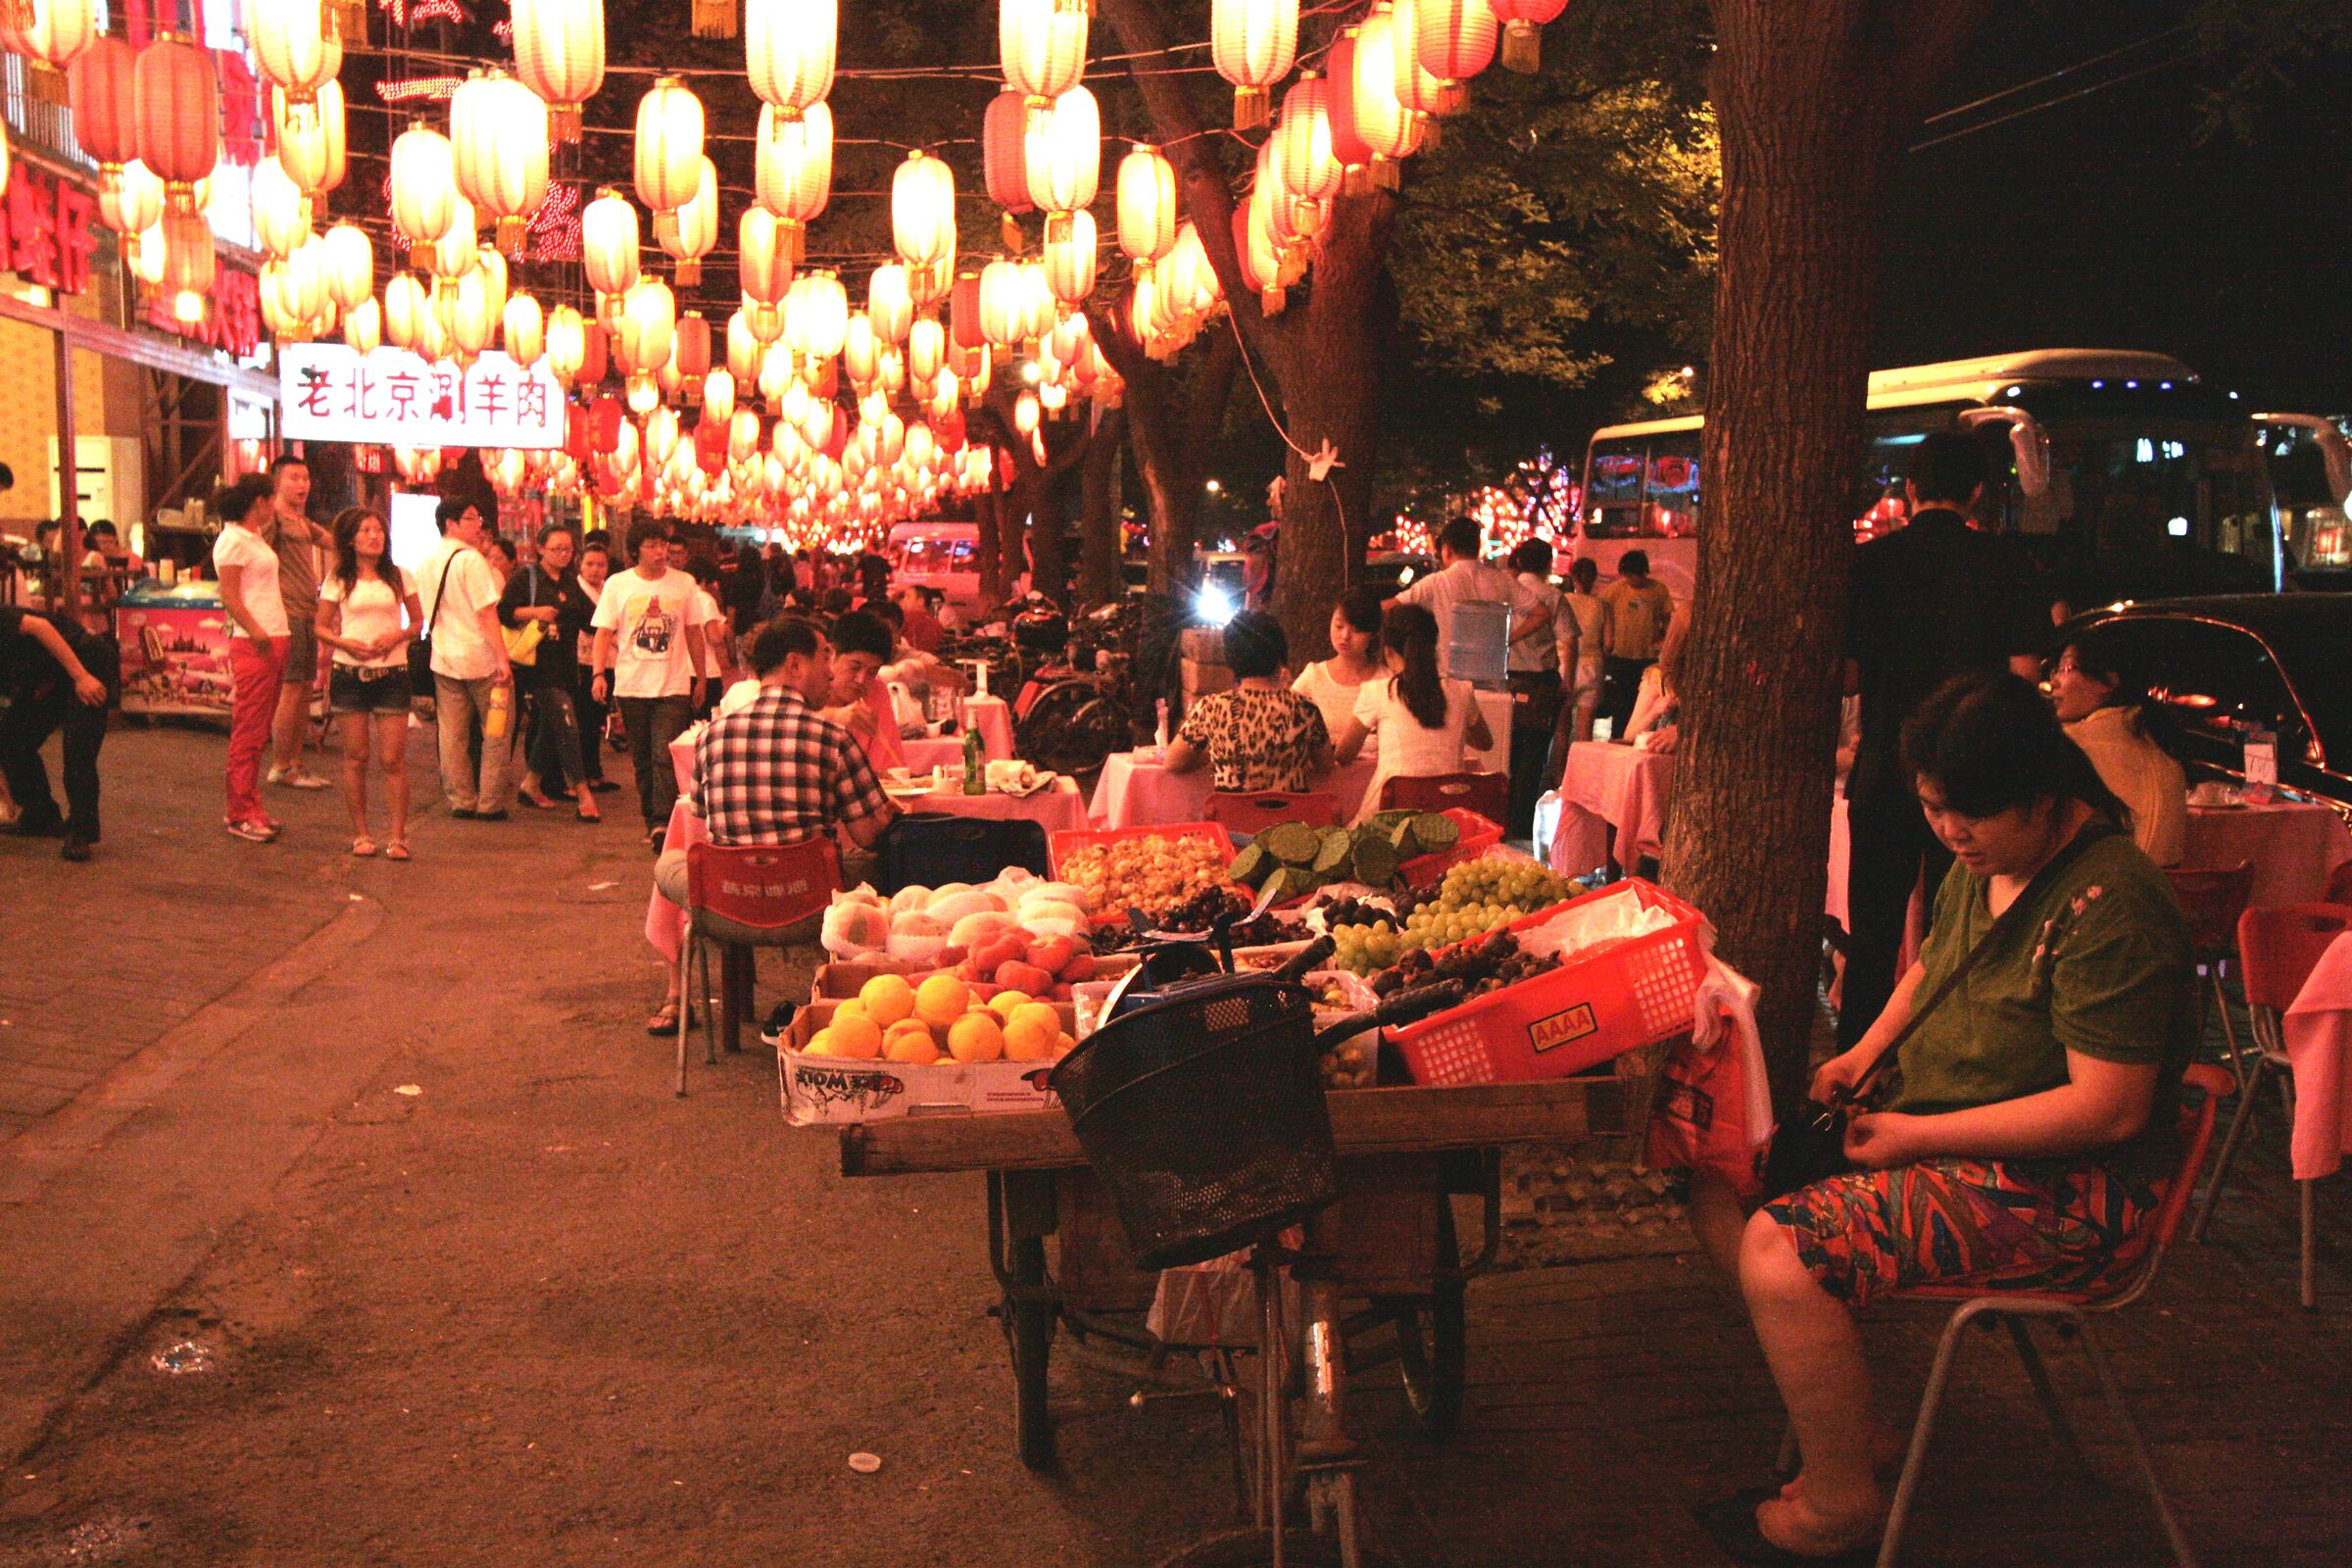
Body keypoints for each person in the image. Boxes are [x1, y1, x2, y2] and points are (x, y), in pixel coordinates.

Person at [1691, 671, 2190, 1560]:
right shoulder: (1988, 860)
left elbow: (2110, 1111)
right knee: (1716, 1173)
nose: (1954, 832)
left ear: (2047, 794)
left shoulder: (2111, 903)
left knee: (1780, 1247)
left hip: (2066, 1194)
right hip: (1942, 1129)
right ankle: (1860, 1427)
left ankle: (1840, 1505)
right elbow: (1932, 966)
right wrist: (1860, 1057)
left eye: (1975, 814)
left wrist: (1920, 1137)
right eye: (1935, 809)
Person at [1841, 431, 2053, 1049]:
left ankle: (1859, 1059)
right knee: (1957, 924)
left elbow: (1849, 676)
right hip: (1973, 776)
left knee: (1873, 931)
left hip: (1886, 767)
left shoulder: (1872, 563)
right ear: (1978, 493)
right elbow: (2023, 678)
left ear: (1911, 489)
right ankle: (1947, 1050)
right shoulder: (2009, 565)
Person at [646, 615, 898, 1034]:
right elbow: (869, 833)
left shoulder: (711, 738)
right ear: (795, 665)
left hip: (728, 905)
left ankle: (683, 993)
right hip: (814, 907)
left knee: (670, 863)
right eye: (825, 658)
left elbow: (703, 815)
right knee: (871, 869)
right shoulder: (832, 739)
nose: (831, 672)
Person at [591, 519, 708, 849]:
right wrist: (599, 674)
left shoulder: (684, 583)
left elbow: (694, 632)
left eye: (664, 545)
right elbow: (603, 632)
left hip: (673, 685)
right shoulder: (618, 584)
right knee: (642, 757)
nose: (661, 552)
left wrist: (699, 676)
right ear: (635, 551)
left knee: (663, 754)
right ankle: (651, 817)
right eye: (653, 545)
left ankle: (661, 823)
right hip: (631, 686)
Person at [316, 507, 422, 858]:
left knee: (393, 759)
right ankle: (361, 834)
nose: (375, 536)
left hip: (392, 673)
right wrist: (345, 643)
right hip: (349, 674)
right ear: (350, 538)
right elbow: (319, 625)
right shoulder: (339, 578)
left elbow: (418, 622)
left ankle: (398, 837)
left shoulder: (400, 576)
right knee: (356, 757)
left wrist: (397, 637)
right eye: (365, 530)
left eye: (378, 530)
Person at [1332, 604, 1494, 822]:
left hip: (1388, 818)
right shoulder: (1461, 691)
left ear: (1387, 650)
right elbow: (1485, 742)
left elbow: (1343, 755)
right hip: (1448, 819)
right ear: (1432, 647)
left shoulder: (1378, 692)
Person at [2048, 626, 2187, 866]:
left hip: (2114, 888)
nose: (2053, 682)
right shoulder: (2156, 735)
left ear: (2108, 682)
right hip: (2167, 890)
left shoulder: (2074, 742)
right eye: (2054, 670)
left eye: (2065, 669)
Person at [416, 491, 515, 821]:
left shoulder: (427, 561)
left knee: (452, 734)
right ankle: (489, 802)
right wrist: (503, 660)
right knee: (496, 730)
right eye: (471, 519)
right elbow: (487, 613)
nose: (479, 525)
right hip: (483, 660)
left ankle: (461, 799)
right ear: (451, 523)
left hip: (444, 658)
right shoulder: (471, 560)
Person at [1169, 610, 1333, 793]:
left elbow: (1173, 763)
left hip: (1230, 820)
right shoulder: (1304, 708)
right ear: (1279, 654)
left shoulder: (1211, 708)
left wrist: (1220, 753)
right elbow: (1326, 766)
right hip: (1292, 820)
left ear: (1230, 658)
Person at [501, 523, 601, 821]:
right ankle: (583, 794)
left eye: (568, 549)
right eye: (556, 548)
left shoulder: (571, 583)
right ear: (541, 548)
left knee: (551, 726)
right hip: (537, 668)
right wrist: (535, 612)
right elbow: (503, 612)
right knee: (568, 725)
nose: (563, 554)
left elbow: (590, 621)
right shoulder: (526, 577)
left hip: (567, 668)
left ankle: (530, 785)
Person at [210, 474, 288, 843]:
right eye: (271, 499)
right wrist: (256, 631)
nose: (274, 506)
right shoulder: (232, 540)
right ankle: (238, 811)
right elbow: (229, 595)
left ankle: (251, 805)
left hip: (274, 636)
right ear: (260, 501)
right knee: (248, 729)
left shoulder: (253, 538)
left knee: (259, 731)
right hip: (254, 640)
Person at [1, 601, 111, 860]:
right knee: (10, 738)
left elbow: (41, 626)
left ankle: (80, 831)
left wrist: (81, 677)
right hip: (46, 678)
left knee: (78, 749)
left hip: (83, 660)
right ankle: (41, 816)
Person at [1389, 516, 1552, 681]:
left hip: (1451, 679)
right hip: (1493, 679)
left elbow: (1389, 606)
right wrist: (1507, 640)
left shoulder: (1437, 582)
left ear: (1446, 549)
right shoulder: (1503, 580)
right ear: (1478, 547)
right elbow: (1541, 613)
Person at [265, 455, 333, 792]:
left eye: (306, 478)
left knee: (306, 690)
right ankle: (280, 765)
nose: (302, 484)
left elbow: (334, 540)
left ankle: (294, 762)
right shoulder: (272, 518)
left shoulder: (301, 521)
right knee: (291, 691)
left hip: (308, 612)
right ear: (276, 481)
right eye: (294, 478)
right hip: (286, 613)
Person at [1505, 539, 1579, 837]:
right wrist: (1568, 680)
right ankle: (1522, 824)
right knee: (1534, 755)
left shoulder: (1506, 591)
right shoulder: (1552, 596)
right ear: (1548, 563)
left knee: (1506, 753)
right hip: (1541, 685)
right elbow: (1570, 639)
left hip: (1507, 681)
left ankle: (1501, 816)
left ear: (1519, 561)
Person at [1595, 550, 1676, 739]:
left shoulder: (1658, 590)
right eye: (1628, 575)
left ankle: (1636, 738)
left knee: (1640, 706)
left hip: (1646, 658)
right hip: (1620, 657)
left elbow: (1667, 618)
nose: (1631, 579)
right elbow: (1603, 613)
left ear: (1643, 572)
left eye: (1634, 574)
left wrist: (1662, 638)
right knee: (1620, 705)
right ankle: (1619, 738)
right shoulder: (1615, 591)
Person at [819, 609, 907, 773]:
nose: (862, 679)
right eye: (855, 667)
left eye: (872, 672)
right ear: (830, 654)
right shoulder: (807, 686)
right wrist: (834, 715)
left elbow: (889, 770)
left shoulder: (876, 692)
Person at [1293, 585, 1386, 741]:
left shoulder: (1386, 680)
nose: (1345, 636)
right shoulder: (1313, 677)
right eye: (1338, 626)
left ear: (1373, 634)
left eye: (1356, 630)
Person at [573, 538, 617, 794]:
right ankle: (587, 774)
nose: (595, 569)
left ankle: (594, 771)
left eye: (600, 565)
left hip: (608, 661)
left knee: (598, 719)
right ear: (580, 564)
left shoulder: (607, 589)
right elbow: (592, 624)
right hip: (584, 662)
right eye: (590, 564)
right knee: (586, 721)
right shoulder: (577, 590)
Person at [1558, 557, 1609, 749]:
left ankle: (1558, 775)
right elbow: (1609, 644)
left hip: (1565, 665)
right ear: (1594, 578)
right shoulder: (1603, 606)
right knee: (1584, 732)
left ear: (1573, 577)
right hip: (1592, 667)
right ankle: (1581, 774)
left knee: (1561, 728)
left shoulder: (1563, 601)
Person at [894, 584, 944, 653]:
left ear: (920, 601)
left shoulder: (905, 617)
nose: (904, 600)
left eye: (908, 597)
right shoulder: (938, 625)